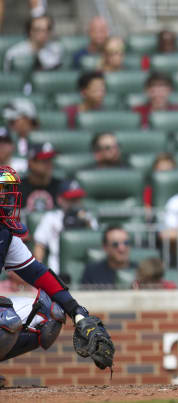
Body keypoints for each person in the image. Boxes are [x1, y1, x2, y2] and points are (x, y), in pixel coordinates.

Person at [0, 166, 113, 384]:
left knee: (52, 313)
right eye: (2, 190)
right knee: (6, 318)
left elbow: (38, 273)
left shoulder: (5, 232)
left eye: (8, 190)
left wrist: (77, 311)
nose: (6, 197)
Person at [32, 179, 97, 274]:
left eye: (77, 199)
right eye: (71, 199)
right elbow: (39, 245)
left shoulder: (88, 217)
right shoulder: (51, 218)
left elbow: (96, 244)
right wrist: (38, 271)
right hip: (57, 270)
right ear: (60, 200)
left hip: (86, 269)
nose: (75, 203)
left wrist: (86, 222)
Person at [18, 142, 60, 212]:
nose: (49, 164)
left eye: (50, 160)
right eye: (44, 161)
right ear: (31, 163)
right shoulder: (18, 189)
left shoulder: (60, 186)